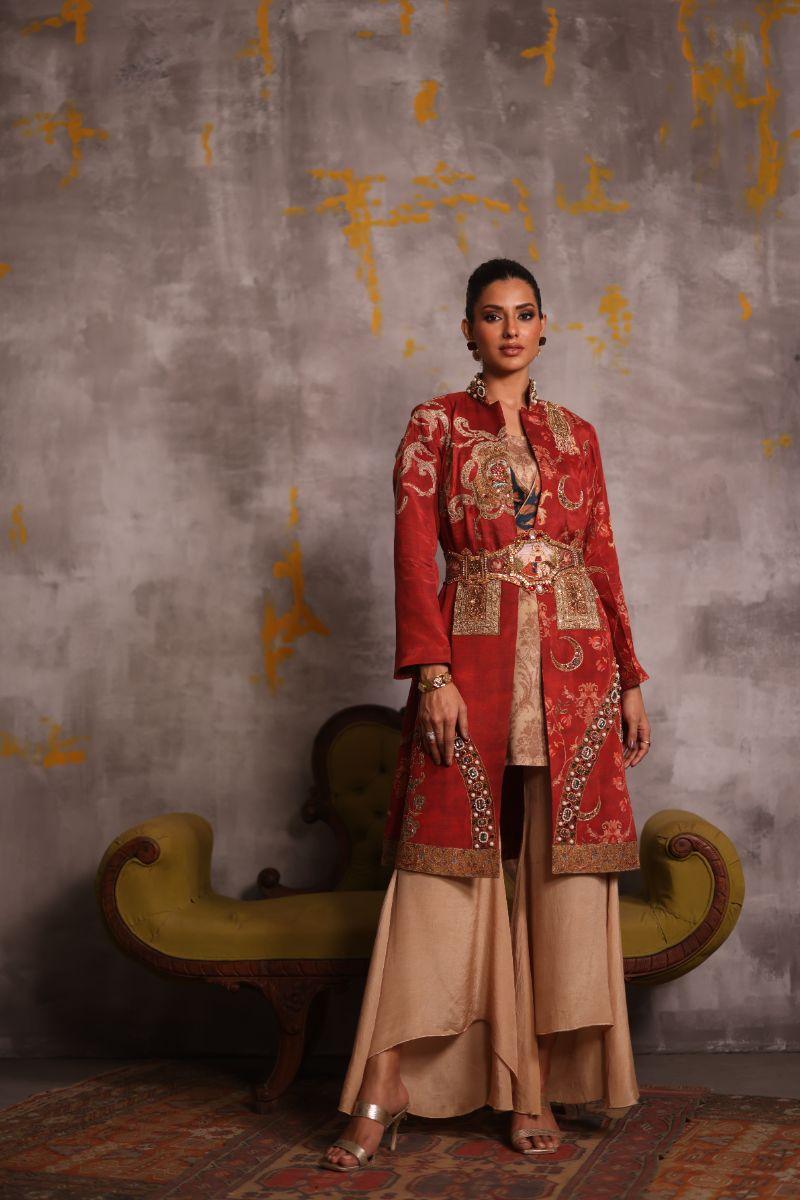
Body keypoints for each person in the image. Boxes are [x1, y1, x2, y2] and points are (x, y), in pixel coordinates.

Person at [320, 258, 652, 1172]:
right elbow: (411, 554)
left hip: (576, 671)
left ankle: (532, 1083)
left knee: (555, 878)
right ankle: (385, 1083)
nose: (510, 329)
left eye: (525, 313)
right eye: (493, 315)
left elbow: (602, 555)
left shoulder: (577, 434)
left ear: (545, 326)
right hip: (473, 657)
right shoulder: (435, 425)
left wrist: (630, 676)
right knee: (442, 868)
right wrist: (431, 673)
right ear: (467, 330)